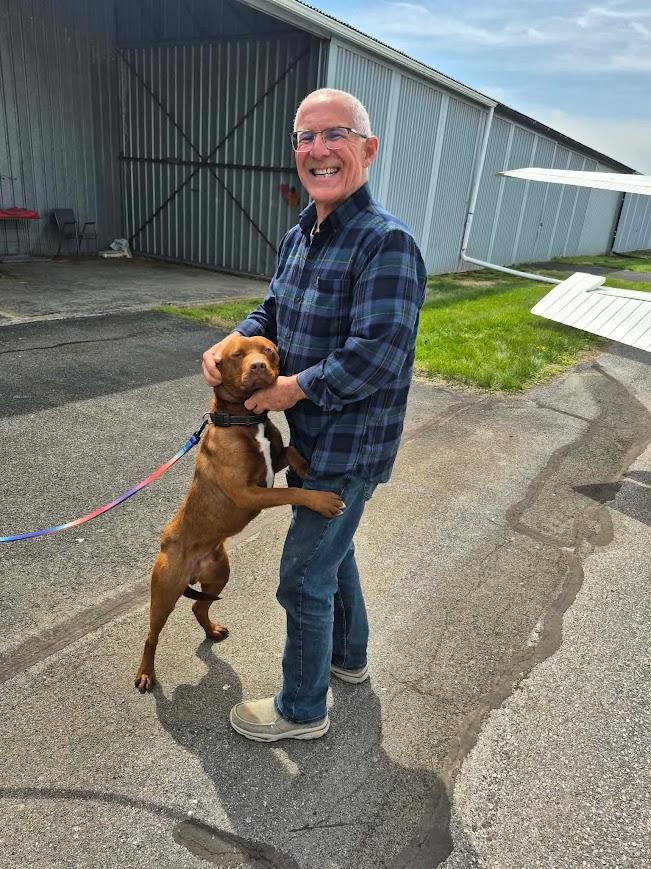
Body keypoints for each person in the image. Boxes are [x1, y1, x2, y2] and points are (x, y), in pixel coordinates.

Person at [202, 88, 427, 742]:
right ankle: (348, 657)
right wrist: (230, 342)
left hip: (349, 445)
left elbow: (377, 355)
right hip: (312, 439)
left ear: (367, 149)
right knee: (332, 550)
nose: (317, 150)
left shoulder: (384, 243)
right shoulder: (301, 233)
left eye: (335, 134)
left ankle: (303, 710)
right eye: (305, 137)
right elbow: (271, 312)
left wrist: (291, 389)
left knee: (303, 576)